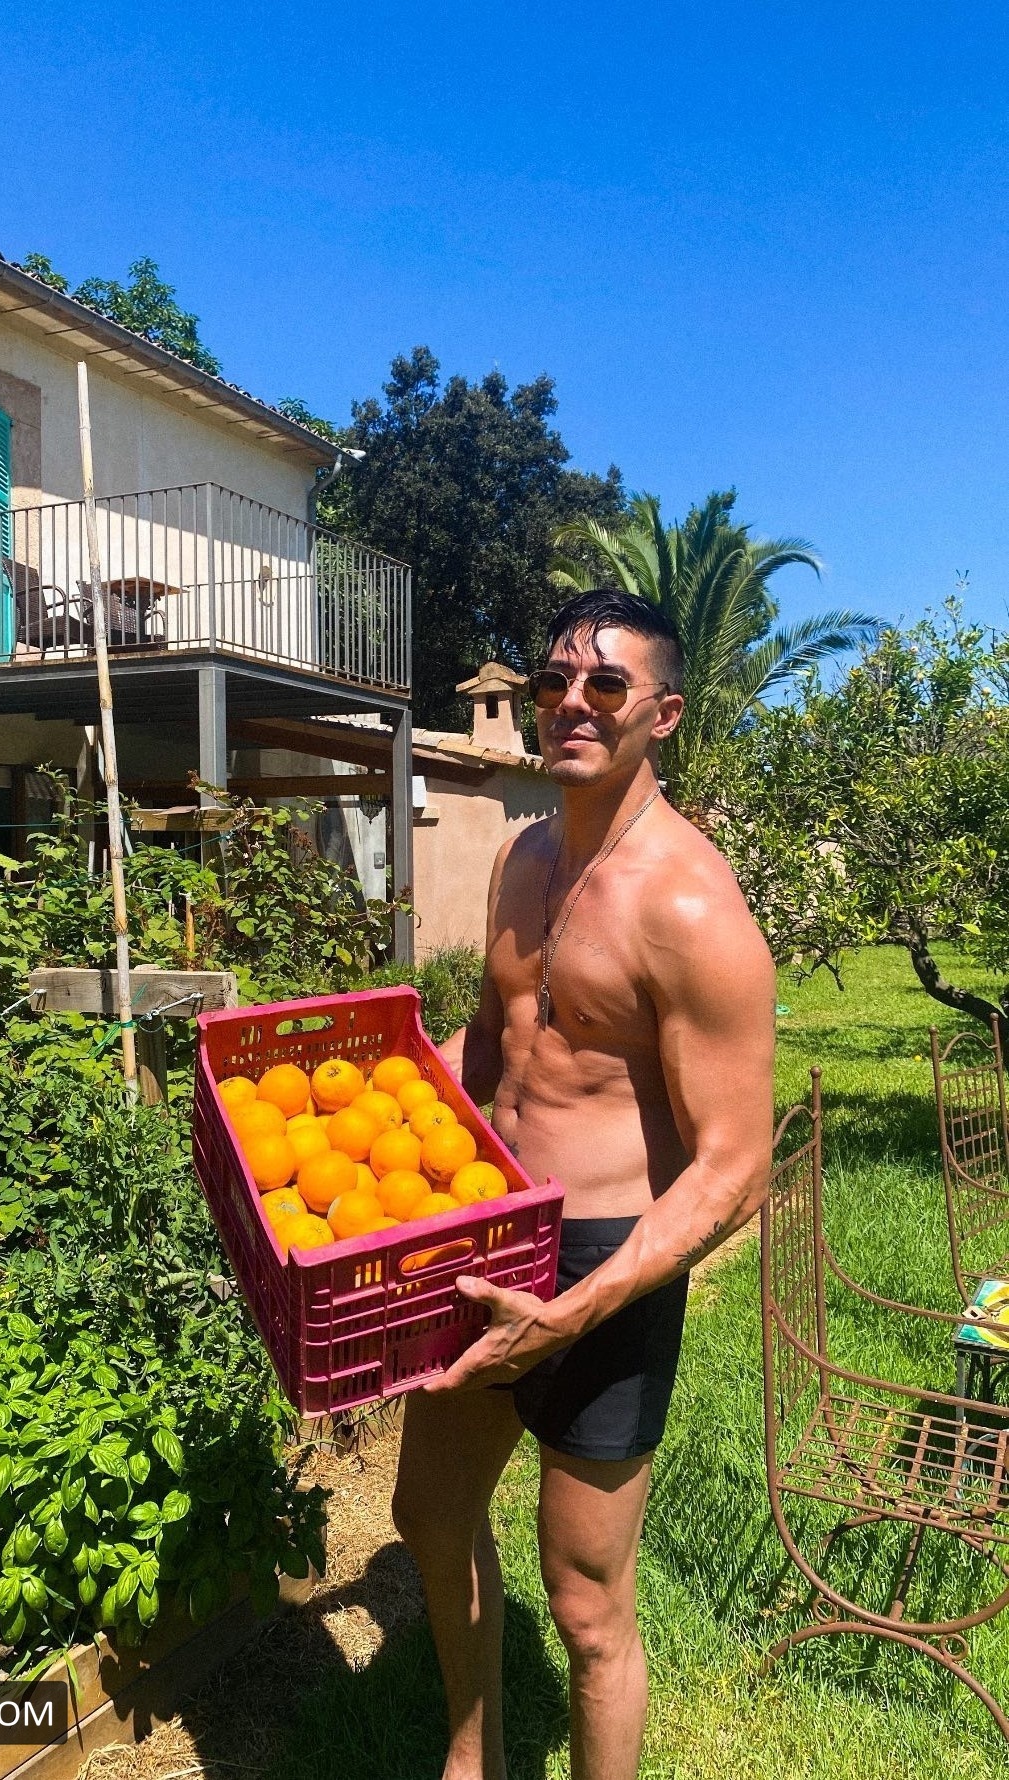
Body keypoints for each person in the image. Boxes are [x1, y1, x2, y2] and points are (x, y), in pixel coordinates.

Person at [391, 588, 776, 1780]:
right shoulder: (522, 858)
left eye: (606, 683)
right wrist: (372, 1093)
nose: (571, 701)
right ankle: (476, 1759)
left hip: (607, 1260)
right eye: (554, 679)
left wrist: (569, 1313)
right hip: (486, 1233)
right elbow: (495, 1042)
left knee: (587, 1601)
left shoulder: (689, 905)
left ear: (662, 712)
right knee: (429, 1514)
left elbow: (735, 1171)